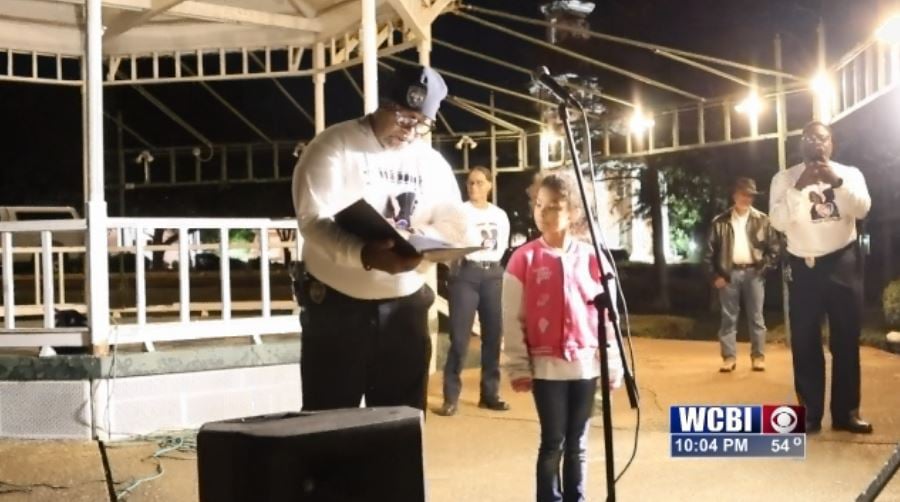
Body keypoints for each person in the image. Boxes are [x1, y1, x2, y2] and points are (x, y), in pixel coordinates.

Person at [291, 65, 466, 412]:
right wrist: (363, 254)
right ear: (383, 103)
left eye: (421, 123)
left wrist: (422, 240)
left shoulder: (431, 163)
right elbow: (312, 219)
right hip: (337, 313)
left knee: (400, 425)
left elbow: (456, 224)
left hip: (405, 313)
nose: (410, 131)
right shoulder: (334, 145)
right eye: (403, 118)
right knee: (329, 424)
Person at [503, 172, 623, 502]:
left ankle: (576, 497)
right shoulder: (523, 259)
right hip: (546, 368)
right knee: (553, 441)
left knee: (578, 444)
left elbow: (608, 319)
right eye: (540, 205)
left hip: (585, 366)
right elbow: (512, 319)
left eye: (555, 206)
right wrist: (518, 366)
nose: (545, 212)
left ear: (572, 211)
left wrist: (611, 364)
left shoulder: (592, 257)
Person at [769, 121, 872, 434]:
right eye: (809, 138)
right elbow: (779, 221)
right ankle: (810, 414)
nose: (816, 143)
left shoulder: (850, 173)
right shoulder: (785, 178)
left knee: (846, 341)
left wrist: (837, 182)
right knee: (804, 342)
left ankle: (846, 414)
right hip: (804, 266)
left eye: (822, 138)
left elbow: (863, 209)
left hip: (843, 262)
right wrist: (799, 187)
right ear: (801, 144)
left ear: (832, 143)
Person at [436, 166, 511, 417]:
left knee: (493, 336)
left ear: (490, 185)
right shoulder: (460, 212)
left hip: (493, 274)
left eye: (479, 183)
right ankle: (451, 397)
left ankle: (490, 394)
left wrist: (495, 268)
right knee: (459, 337)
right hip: (466, 274)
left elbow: (503, 245)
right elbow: (448, 242)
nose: (474, 187)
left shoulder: (500, 215)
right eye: (470, 183)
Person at [705, 177, 780, 372]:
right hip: (728, 274)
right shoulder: (720, 222)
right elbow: (708, 253)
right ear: (735, 195)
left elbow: (774, 249)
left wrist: (763, 269)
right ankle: (729, 358)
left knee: (756, 317)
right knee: (728, 318)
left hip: (754, 273)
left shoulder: (763, 220)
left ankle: (758, 356)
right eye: (743, 194)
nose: (747, 199)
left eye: (750, 195)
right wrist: (715, 276)